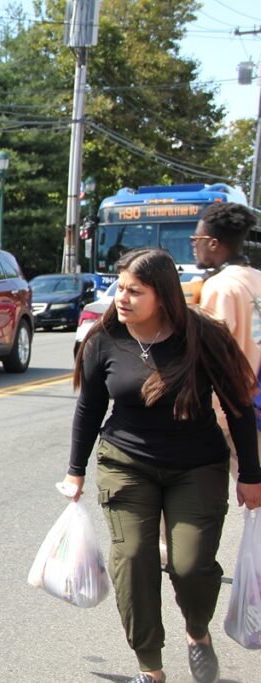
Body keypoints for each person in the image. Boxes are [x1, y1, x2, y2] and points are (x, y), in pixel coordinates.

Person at [66, 248, 261, 683]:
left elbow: (239, 407)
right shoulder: (105, 338)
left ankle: (197, 631)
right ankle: (149, 667)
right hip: (126, 462)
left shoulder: (204, 336)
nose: (122, 298)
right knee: (132, 557)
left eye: (135, 291)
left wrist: (251, 474)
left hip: (197, 465)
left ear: (164, 295)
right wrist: (75, 470)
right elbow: (89, 408)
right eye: (120, 288)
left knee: (190, 566)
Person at [193, 201, 261, 483]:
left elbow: (213, 355)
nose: (193, 246)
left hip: (233, 409)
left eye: (195, 240)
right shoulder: (257, 277)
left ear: (212, 243)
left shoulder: (220, 287)